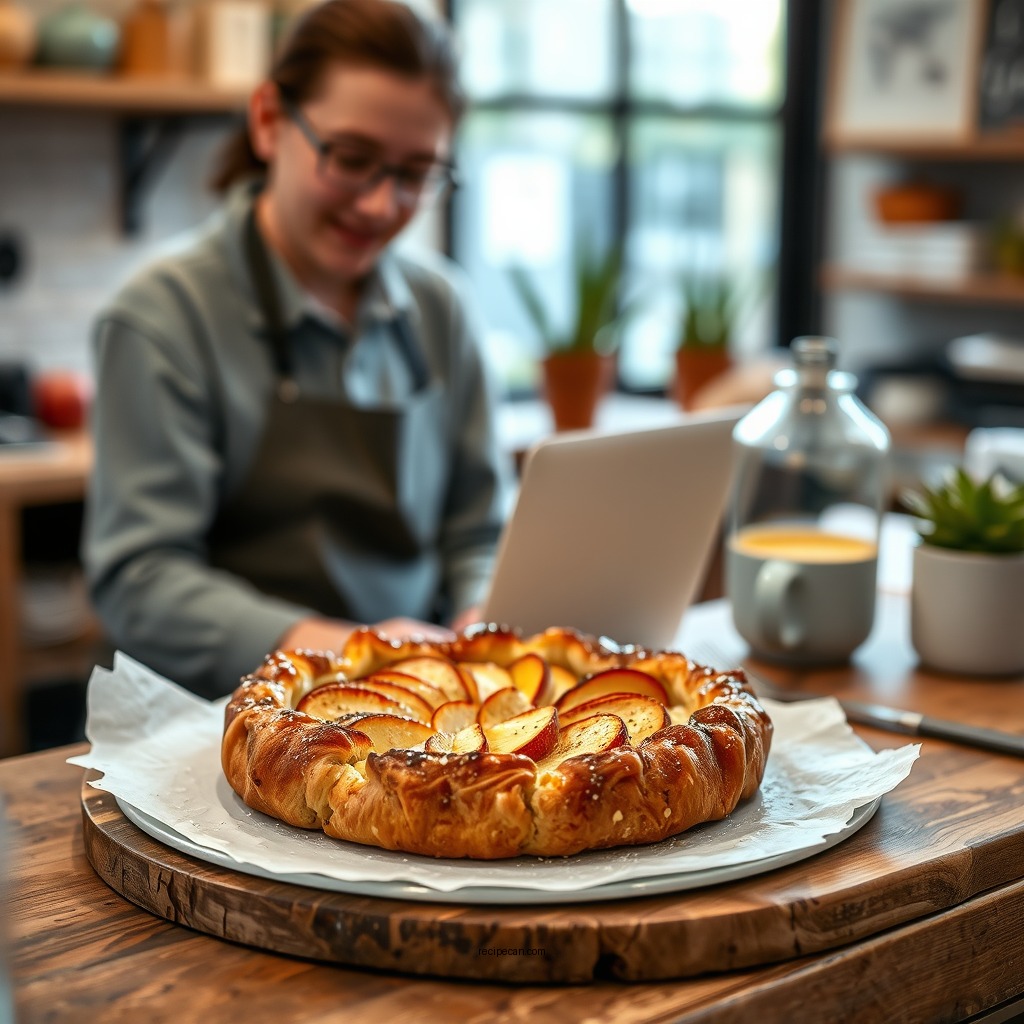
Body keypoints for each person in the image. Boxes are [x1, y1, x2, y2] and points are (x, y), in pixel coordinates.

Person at [82, 0, 513, 698]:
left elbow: (480, 533)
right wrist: (353, 653)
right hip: (219, 718)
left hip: (418, 709)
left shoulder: (444, 310)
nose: (379, 205)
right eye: (351, 159)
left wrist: (481, 616)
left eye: (414, 174)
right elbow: (141, 580)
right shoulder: (162, 316)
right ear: (267, 121)